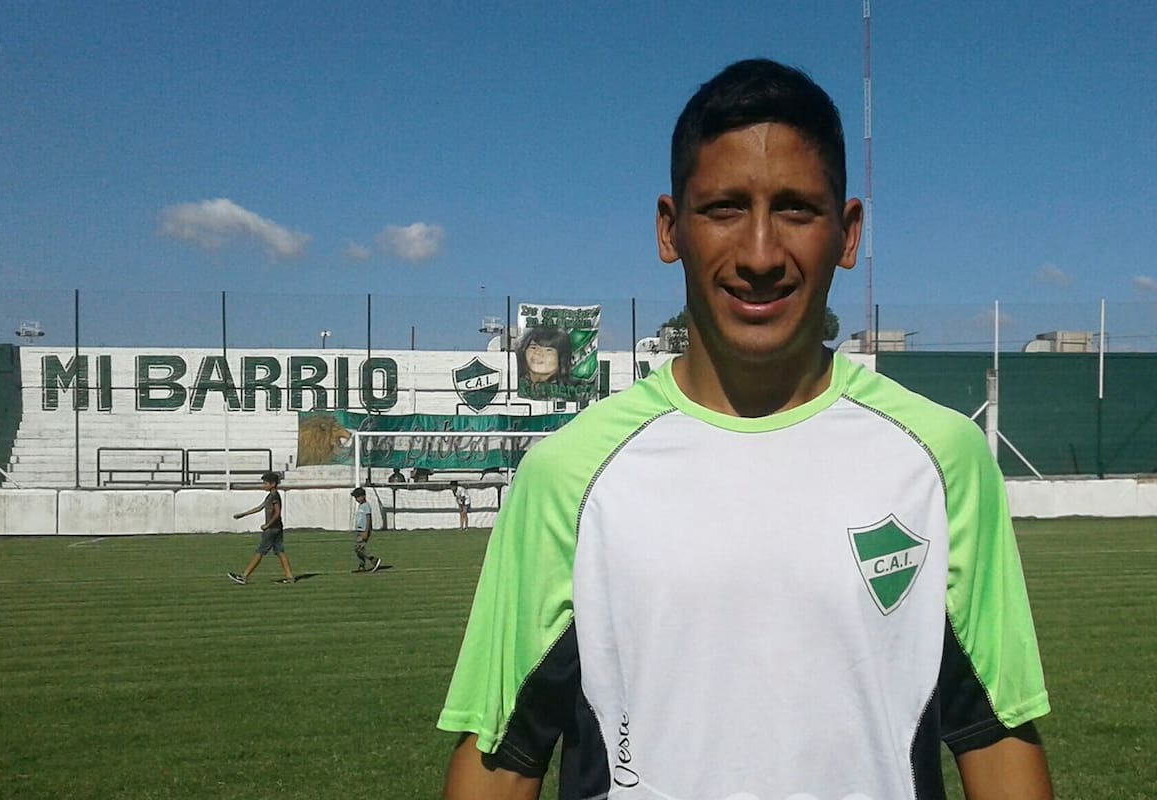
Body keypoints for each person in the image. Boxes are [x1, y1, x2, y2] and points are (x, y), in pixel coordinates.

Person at [439, 59, 1052, 800]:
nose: (760, 254)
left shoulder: (941, 460)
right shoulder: (568, 476)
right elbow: (507, 754)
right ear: (671, 230)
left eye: (795, 209)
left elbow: (995, 734)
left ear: (848, 234)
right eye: (725, 208)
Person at [228, 471, 294, 585]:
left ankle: (244, 576)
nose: (263, 485)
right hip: (277, 528)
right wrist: (243, 514)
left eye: (265, 483)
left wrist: (268, 525)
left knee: (260, 552)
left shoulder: (274, 496)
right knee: (280, 552)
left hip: (272, 529)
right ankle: (289, 577)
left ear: (272, 484)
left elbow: (277, 512)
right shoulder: (270, 496)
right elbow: (260, 508)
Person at [351, 487, 381, 574]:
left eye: (358, 497)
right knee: (357, 549)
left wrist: (366, 531)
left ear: (363, 496)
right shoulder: (361, 506)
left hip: (364, 530)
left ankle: (374, 560)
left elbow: (368, 519)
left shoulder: (366, 506)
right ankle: (361, 566)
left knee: (360, 548)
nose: (357, 499)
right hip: (359, 530)